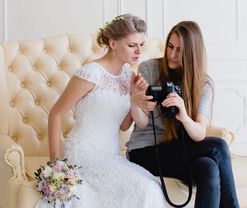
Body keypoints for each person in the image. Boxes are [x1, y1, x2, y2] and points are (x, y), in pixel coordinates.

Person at [35, 14, 166, 208]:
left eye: (141, 45)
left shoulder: (128, 76)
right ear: (113, 43)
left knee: (151, 187)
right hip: (82, 155)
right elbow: (56, 113)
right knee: (145, 189)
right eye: (132, 45)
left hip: (110, 155)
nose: (139, 51)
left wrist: (135, 98)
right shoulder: (90, 73)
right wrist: (56, 165)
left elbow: (123, 126)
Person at [127, 21, 240, 208]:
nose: (171, 55)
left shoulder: (203, 84)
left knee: (209, 168)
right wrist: (137, 102)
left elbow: (199, 133)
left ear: (191, 53)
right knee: (218, 146)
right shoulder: (149, 69)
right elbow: (141, 122)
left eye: (179, 50)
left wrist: (184, 116)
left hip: (182, 150)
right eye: (170, 47)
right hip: (146, 151)